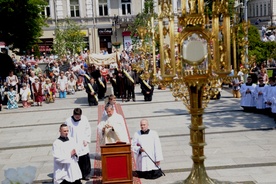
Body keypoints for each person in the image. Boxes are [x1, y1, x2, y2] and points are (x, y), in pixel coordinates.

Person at [65, 108, 91, 181]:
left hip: (83, 142)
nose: (78, 118)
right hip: (74, 142)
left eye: (79, 117)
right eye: (76, 117)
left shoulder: (84, 119)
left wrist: (86, 139)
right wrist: (69, 143)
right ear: (73, 115)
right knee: (76, 161)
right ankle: (78, 175)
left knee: (85, 159)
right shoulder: (68, 121)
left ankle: (85, 174)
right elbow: (67, 133)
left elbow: (88, 129)